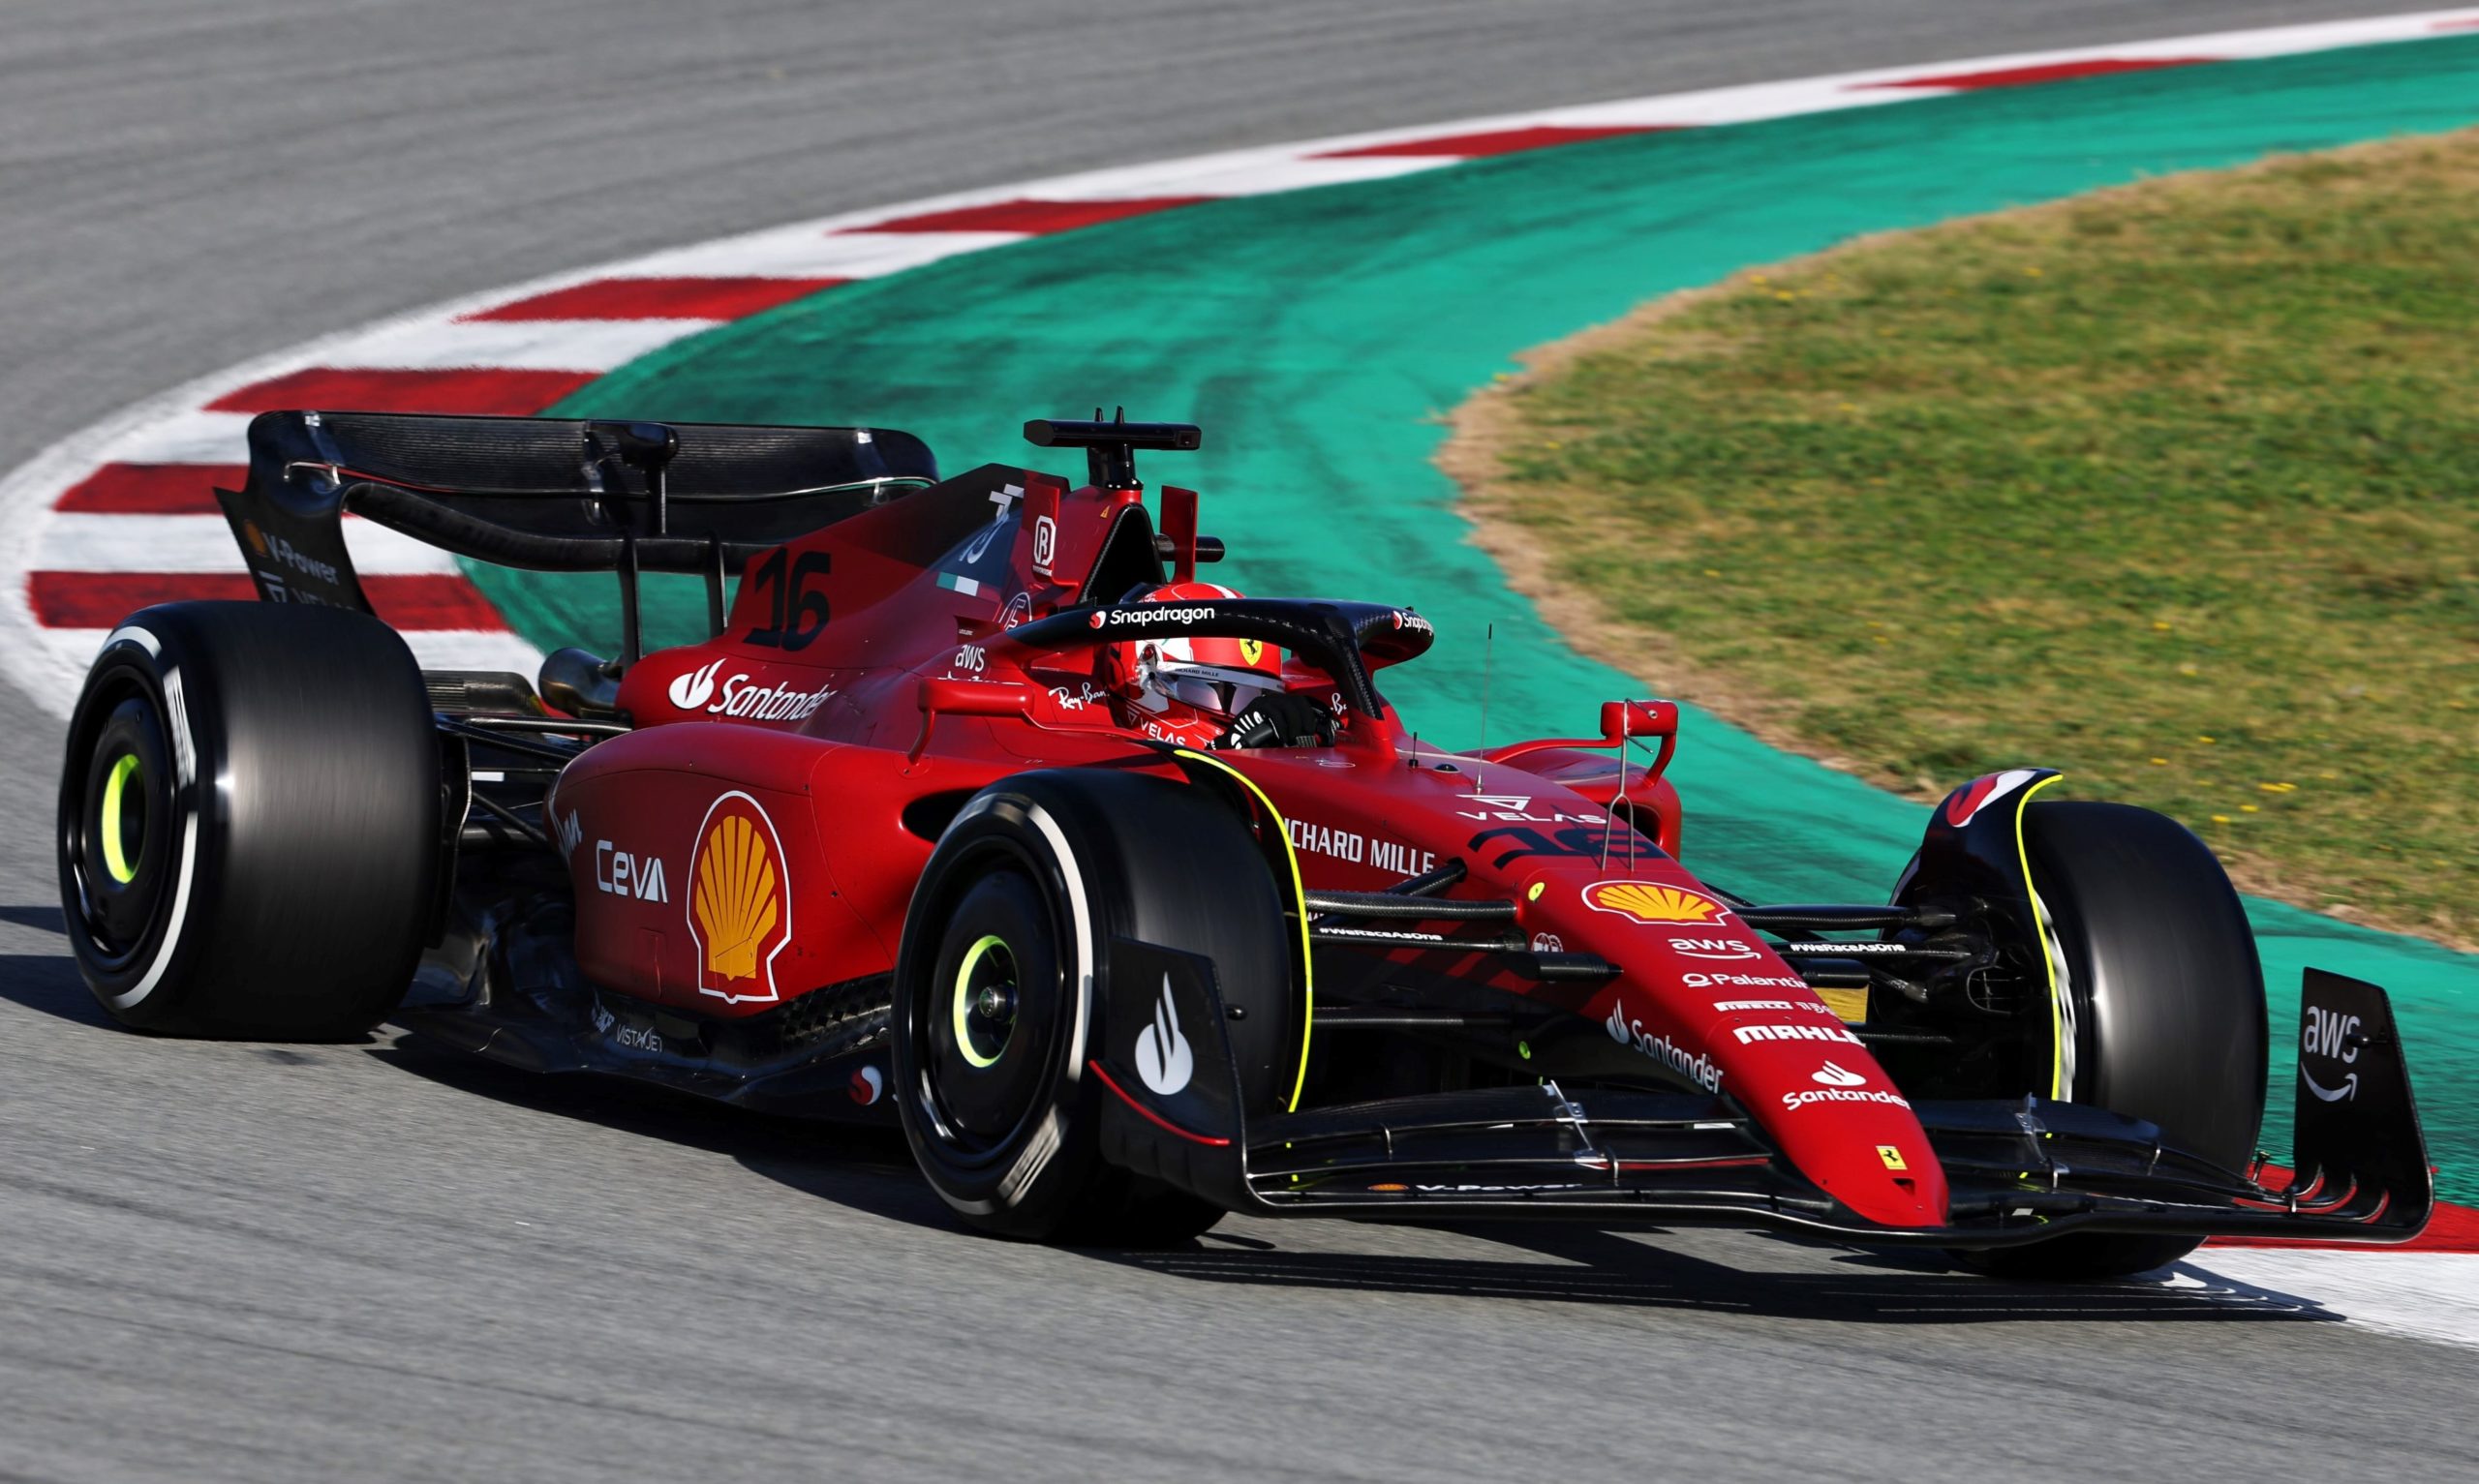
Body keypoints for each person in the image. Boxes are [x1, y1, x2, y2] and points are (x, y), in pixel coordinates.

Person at [1104, 582, 1335, 749]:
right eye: (1211, 690)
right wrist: (1221, 756)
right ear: (1144, 673)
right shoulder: (1087, 763)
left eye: (1253, 697)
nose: (1240, 717)